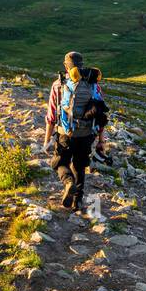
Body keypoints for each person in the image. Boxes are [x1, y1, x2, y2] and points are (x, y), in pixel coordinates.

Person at [42, 51, 108, 209]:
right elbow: (100, 113)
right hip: (86, 134)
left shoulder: (58, 85)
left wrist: (47, 140)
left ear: (66, 66)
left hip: (66, 133)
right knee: (79, 165)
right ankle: (77, 201)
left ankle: (68, 182)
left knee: (60, 162)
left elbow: (51, 116)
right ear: (82, 66)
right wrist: (101, 140)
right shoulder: (94, 85)